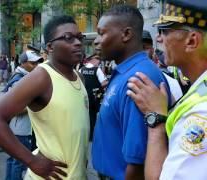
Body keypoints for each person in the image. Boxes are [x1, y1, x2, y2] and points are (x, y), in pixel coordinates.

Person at [0, 15, 89, 179]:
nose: (78, 43)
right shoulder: (42, 76)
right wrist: (32, 161)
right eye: (68, 38)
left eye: (79, 37)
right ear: (50, 47)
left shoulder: (78, 76)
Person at [127, 0, 207, 179]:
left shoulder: (200, 115)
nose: (158, 38)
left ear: (192, 40)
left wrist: (156, 118)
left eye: (165, 30)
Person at [91, 5, 171, 180]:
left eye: (101, 33)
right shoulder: (126, 71)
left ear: (126, 34)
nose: (96, 41)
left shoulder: (139, 78)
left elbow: (137, 161)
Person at [4, 50, 43, 180]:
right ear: (23, 63)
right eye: (33, 63)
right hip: (20, 129)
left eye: (38, 63)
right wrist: (35, 105)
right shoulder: (19, 81)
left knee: (13, 159)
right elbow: (13, 109)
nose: (36, 66)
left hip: (17, 128)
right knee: (19, 162)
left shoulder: (22, 77)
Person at [80, 54, 107, 140]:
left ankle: (87, 133)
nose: (98, 63)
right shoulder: (97, 70)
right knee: (95, 115)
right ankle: (93, 134)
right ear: (93, 61)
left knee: (86, 115)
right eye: (98, 61)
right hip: (95, 96)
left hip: (84, 96)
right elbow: (104, 83)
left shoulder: (81, 70)